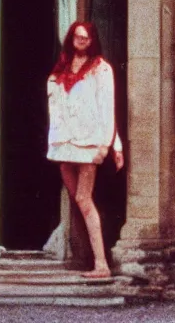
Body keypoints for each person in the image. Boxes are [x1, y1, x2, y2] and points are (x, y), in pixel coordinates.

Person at [46, 21, 124, 278]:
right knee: (78, 201)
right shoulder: (61, 69)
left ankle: (101, 264)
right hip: (63, 143)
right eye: (77, 37)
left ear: (92, 40)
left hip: (88, 143)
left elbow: (107, 106)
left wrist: (111, 144)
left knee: (83, 199)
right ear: (70, 39)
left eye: (85, 37)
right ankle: (88, 259)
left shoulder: (100, 69)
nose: (81, 41)